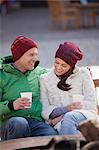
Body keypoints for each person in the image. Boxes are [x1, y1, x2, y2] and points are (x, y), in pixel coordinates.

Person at [0, 36, 58, 141]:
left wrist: (81, 73)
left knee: (52, 136)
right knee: (19, 123)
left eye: (36, 54)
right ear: (19, 56)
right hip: (11, 124)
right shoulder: (2, 76)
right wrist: (11, 105)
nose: (35, 58)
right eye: (31, 55)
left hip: (35, 123)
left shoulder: (39, 72)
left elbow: (59, 74)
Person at [40, 41, 98, 135]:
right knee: (77, 134)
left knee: (69, 118)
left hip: (85, 116)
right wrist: (66, 109)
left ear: (72, 65)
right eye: (56, 62)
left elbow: (91, 104)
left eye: (64, 65)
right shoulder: (45, 79)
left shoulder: (83, 74)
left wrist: (65, 114)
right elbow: (45, 110)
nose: (58, 68)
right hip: (60, 123)